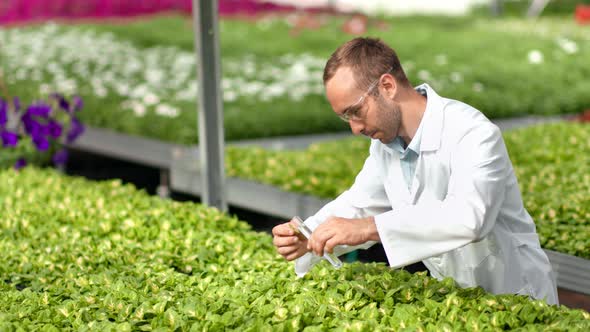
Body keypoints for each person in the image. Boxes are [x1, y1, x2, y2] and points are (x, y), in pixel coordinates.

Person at [272, 37, 558, 305]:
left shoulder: (472, 132)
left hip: (517, 295)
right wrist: (308, 236)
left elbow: (470, 217)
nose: (355, 128)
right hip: (458, 302)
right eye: (346, 118)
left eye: (355, 111)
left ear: (387, 86)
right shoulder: (386, 146)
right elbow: (358, 204)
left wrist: (369, 228)